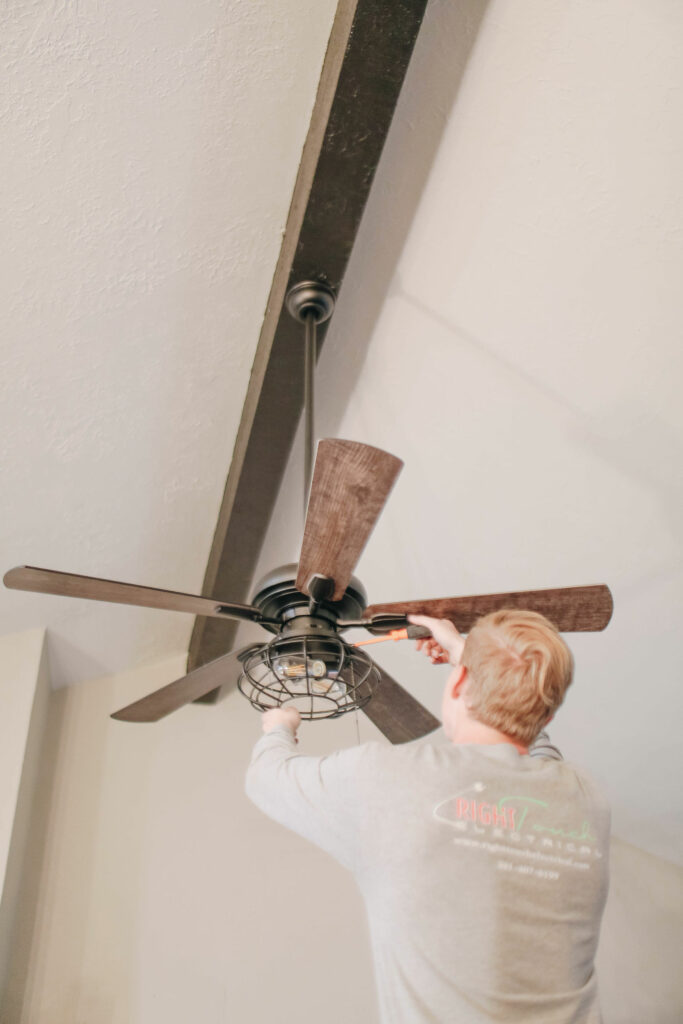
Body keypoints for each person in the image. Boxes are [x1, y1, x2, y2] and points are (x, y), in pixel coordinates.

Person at [245, 610, 610, 1024]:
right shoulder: (587, 799)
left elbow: (266, 777)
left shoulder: (386, 779)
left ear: (456, 682)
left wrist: (279, 726)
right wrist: (474, 662)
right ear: (547, 716)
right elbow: (537, 749)